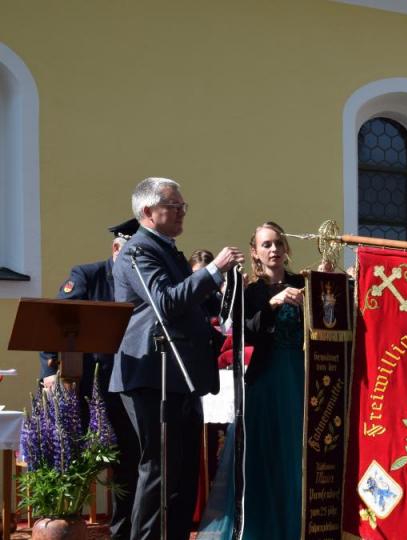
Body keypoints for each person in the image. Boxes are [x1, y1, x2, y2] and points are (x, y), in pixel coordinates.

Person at [110, 177, 244, 540]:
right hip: (151, 371)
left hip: (180, 374)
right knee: (159, 468)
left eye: (183, 205)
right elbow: (165, 302)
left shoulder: (168, 249)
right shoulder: (138, 250)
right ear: (148, 212)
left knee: (184, 472)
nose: (182, 211)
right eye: (174, 205)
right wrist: (213, 270)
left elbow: (189, 308)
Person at [198, 221, 305, 539]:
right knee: (266, 455)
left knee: (297, 453)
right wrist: (272, 305)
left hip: (300, 378)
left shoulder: (303, 284)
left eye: (278, 243)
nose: (273, 249)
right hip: (265, 381)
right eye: (266, 245)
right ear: (256, 253)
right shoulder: (252, 292)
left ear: (286, 249)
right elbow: (244, 332)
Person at [38, 218, 140, 539]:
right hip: (84, 389)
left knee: (130, 465)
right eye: (132, 254)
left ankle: (123, 532)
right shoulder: (89, 275)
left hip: (128, 390)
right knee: (72, 463)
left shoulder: (143, 281)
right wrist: (49, 373)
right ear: (115, 249)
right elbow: (55, 322)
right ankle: (67, 528)